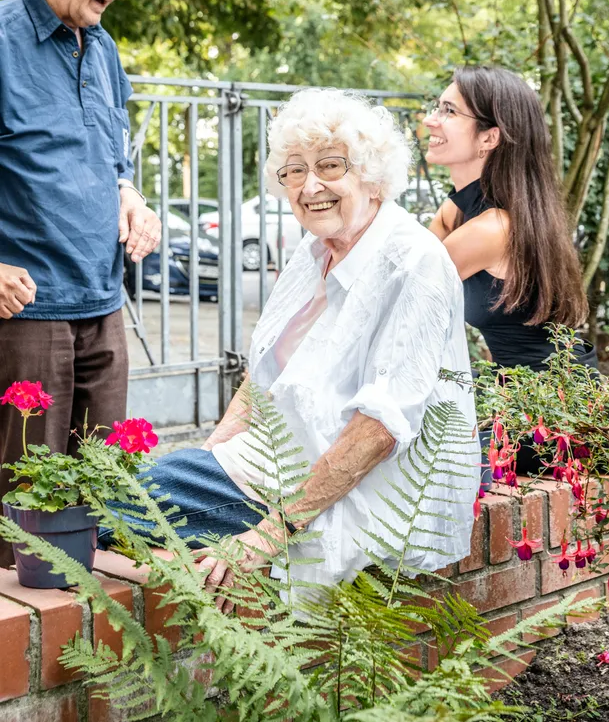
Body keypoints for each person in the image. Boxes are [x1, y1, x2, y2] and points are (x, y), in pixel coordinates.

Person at [100, 89, 479, 609]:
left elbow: (379, 428)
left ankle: (190, 568)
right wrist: (206, 459)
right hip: (257, 472)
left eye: (329, 166)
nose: (310, 186)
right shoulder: (312, 250)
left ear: (370, 175)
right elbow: (261, 379)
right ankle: (187, 568)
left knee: (83, 517)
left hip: (316, 494)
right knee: (86, 506)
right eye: (294, 171)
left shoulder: (413, 262)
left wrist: (265, 538)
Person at [0, 0, 162, 566]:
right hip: (30, 310)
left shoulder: (103, 51)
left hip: (104, 303)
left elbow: (110, 155)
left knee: (105, 499)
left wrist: (131, 197)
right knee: (26, 514)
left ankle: (92, 649)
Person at [423, 66, 596, 469]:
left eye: (449, 111)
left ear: (489, 137)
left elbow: (402, 294)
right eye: (437, 107)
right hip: (528, 401)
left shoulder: (491, 228)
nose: (431, 119)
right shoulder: (470, 209)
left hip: (548, 421)